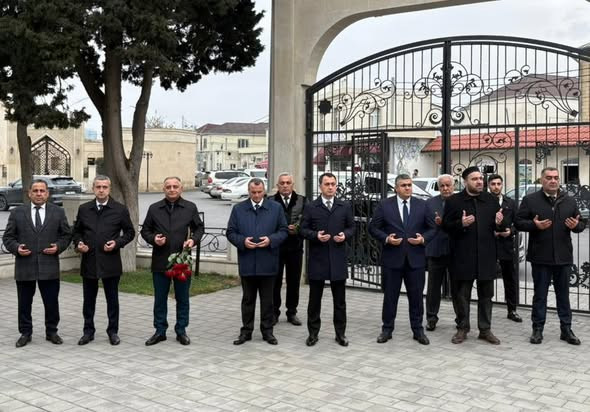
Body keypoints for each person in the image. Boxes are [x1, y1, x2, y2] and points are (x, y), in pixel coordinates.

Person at [515, 167, 584, 345]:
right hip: (540, 256)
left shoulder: (569, 200)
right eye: (548, 177)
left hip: (563, 257)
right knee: (540, 295)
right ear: (541, 180)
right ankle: (537, 329)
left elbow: (581, 223)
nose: (553, 181)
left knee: (563, 295)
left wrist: (576, 226)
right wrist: (534, 225)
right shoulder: (530, 200)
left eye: (556, 177)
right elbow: (518, 222)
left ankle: (566, 330)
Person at [2, 179, 72, 348]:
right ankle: (25, 333)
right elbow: (8, 237)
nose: (39, 194)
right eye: (35, 191)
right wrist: (17, 248)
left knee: (51, 302)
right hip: (25, 266)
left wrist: (58, 247)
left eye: (42, 191)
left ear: (47, 193)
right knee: (24, 303)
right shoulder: (17, 213)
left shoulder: (58, 212)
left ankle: (52, 332)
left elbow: (66, 235)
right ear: (29, 193)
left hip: (49, 266)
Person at [442, 166, 504, 345]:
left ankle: (485, 329)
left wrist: (499, 223)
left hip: (486, 255)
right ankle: (462, 328)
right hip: (463, 256)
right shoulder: (454, 201)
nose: (479, 182)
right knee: (462, 295)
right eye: (474, 179)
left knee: (486, 295)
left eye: (480, 179)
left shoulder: (491, 200)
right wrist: (460, 224)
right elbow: (445, 226)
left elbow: (499, 226)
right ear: (465, 182)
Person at [140, 176, 204, 346]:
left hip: (182, 260)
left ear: (181, 189)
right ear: (164, 189)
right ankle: (160, 331)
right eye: (168, 186)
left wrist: (193, 240)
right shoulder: (154, 208)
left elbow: (199, 228)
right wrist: (154, 239)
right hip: (160, 260)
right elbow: (145, 230)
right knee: (160, 299)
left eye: (175, 186)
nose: (172, 189)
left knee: (182, 298)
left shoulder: (190, 207)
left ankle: (181, 330)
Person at [72, 175, 135, 346]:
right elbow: (77, 232)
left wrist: (117, 243)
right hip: (89, 261)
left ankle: (113, 331)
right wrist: (79, 243)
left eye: (104, 187)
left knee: (112, 299)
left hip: (110, 261)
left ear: (109, 189)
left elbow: (130, 232)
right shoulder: (84, 209)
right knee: (88, 300)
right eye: (98, 187)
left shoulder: (120, 209)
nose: (101, 190)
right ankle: (88, 332)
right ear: (93, 188)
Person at [369, 174, 432, 345]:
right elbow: (373, 228)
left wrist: (423, 239)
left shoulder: (422, 204)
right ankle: (387, 329)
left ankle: (418, 330)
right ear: (396, 188)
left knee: (416, 297)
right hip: (392, 259)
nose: (407, 188)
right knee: (390, 296)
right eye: (403, 185)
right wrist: (386, 239)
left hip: (415, 260)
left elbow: (432, 228)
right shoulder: (384, 205)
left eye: (409, 185)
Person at [227, 178, 288, 345]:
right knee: (248, 299)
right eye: (253, 192)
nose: (256, 195)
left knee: (268, 300)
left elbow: (283, 230)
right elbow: (231, 232)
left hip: (268, 261)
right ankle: (246, 331)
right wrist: (242, 241)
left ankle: (267, 332)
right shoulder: (238, 209)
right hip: (247, 262)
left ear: (264, 191)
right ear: (248, 191)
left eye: (259, 192)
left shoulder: (275, 208)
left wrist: (271, 240)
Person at [300, 172, 355, 347]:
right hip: (318, 259)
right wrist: (316, 235)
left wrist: (344, 235)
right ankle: (313, 333)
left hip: (338, 259)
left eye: (333, 184)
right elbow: (303, 229)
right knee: (314, 300)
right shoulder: (311, 207)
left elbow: (352, 227)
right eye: (327, 184)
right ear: (320, 186)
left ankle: (340, 334)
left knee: (340, 301)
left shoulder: (344, 206)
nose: (330, 187)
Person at [272, 172, 306, 326]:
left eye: (288, 183)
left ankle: (292, 312)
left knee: (294, 281)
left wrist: (297, 228)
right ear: (278, 185)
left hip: (295, 247)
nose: (285, 185)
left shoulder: (302, 200)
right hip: (276, 248)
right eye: (282, 183)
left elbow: (307, 220)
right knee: (275, 282)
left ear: (293, 185)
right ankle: (274, 312)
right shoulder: (270, 201)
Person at [487, 174, 522, 323]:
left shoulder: (511, 203)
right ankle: (486, 310)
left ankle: (512, 310)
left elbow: (518, 223)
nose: (496, 186)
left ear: (502, 185)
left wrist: (511, 231)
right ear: (489, 185)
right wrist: (492, 231)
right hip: (488, 245)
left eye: (498, 184)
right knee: (487, 278)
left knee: (510, 278)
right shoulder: (484, 201)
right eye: (493, 184)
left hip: (506, 245)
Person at [424, 174, 456, 331]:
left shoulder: (461, 202)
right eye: (442, 186)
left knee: (458, 288)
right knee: (433, 288)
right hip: (435, 250)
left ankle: (461, 319)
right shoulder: (430, 203)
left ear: (453, 186)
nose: (445, 188)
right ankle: (431, 318)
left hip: (456, 251)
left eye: (448, 185)